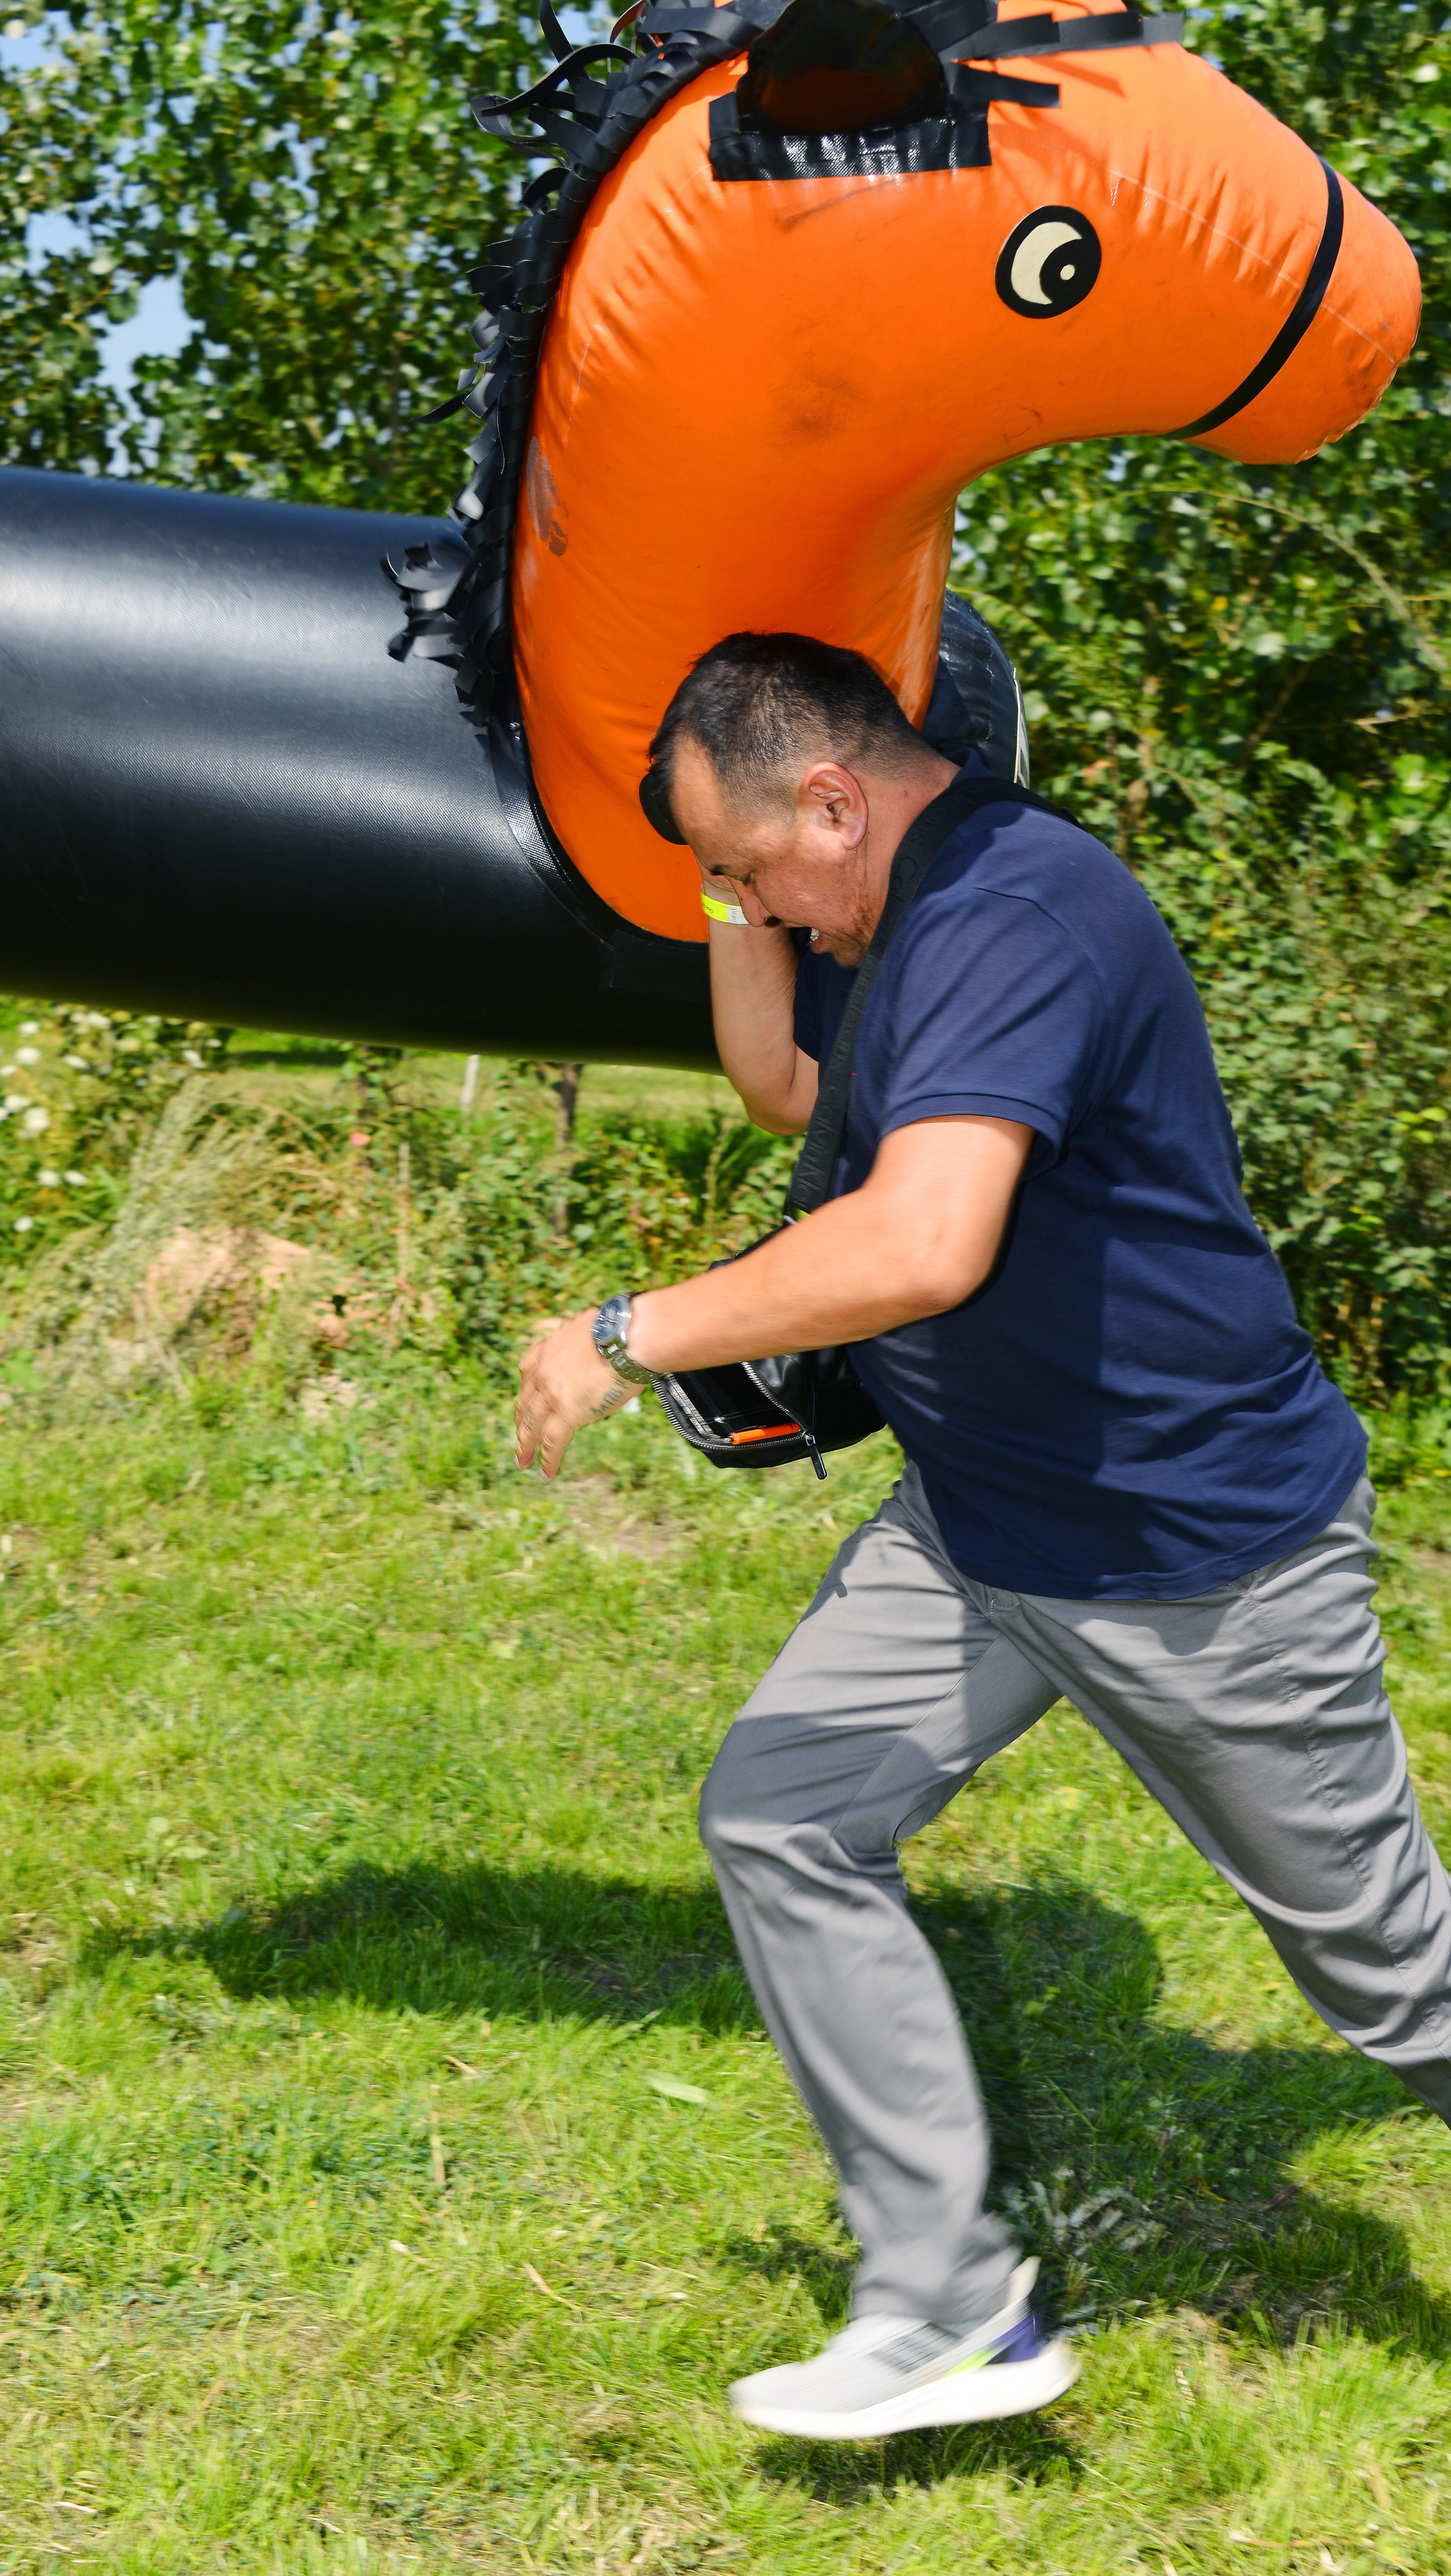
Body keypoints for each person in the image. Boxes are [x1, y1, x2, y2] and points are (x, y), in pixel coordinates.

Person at [514, 630, 1451, 2444]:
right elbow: (789, 1088)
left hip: (1192, 1556)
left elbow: (924, 1241)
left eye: (757, 868)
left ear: (838, 800)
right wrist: (723, 881)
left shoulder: (1015, 914)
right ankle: (949, 2301)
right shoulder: (887, 905)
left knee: (1397, 1979)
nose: (755, 909)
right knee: (785, 1811)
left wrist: (630, 1334)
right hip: (980, 1521)